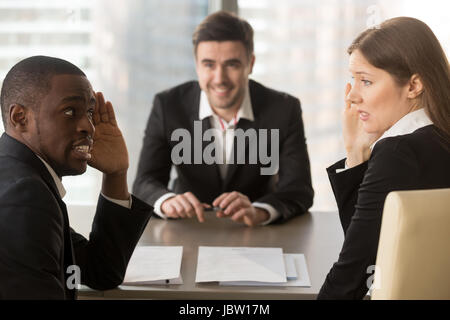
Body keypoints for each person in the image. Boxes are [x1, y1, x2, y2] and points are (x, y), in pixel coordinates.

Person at [133, 11, 314, 227]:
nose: (220, 79)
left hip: (255, 232)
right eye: (209, 64)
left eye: (232, 65)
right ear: (197, 65)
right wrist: (167, 201)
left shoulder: (284, 109)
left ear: (251, 63)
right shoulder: (167, 105)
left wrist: (260, 211)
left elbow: (299, 189)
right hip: (187, 227)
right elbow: (144, 182)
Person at [318, 17, 450, 299]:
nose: (352, 96)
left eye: (365, 81)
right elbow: (372, 246)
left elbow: (354, 272)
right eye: (352, 80)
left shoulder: (398, 153)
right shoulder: (438, 137)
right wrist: (356, 153)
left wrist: (358, 154)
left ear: (414, 86)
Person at [0, 56, 153, 299]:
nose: (89, 127)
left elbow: (100, 270)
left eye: (90, 112)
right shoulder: (25, 196)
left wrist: (115, 174)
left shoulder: (26, 180)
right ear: (21, 118)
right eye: (70, 111)